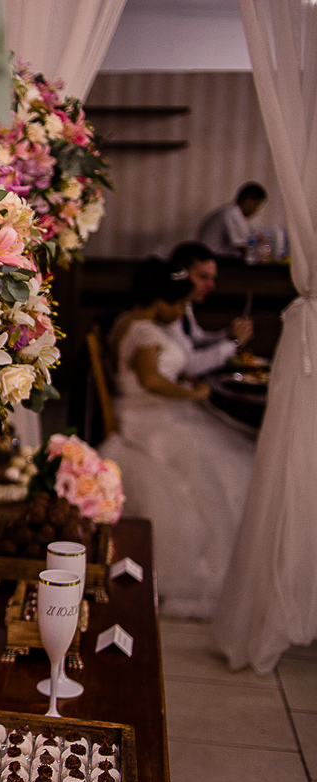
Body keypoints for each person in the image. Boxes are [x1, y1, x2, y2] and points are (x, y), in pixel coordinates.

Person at [99, 260, 256, 618]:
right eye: (178, 304)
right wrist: (193, 394)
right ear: (159, 300)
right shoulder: (143, 332)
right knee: (224, 467)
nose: (182, 311)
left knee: (223, 453)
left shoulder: (129, 321)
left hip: (146, 411)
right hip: (146, 417)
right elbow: (151, 381)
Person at [167, 241, 253, 376]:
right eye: (203, 277)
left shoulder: (186, 304)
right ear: (181, 274)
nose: (211, 286)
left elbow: (197, 339)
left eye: (212, 279)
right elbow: (189, 366)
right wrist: (234, 344)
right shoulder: (168, 310)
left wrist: (229, 334)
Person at [197, 182, 268, 258]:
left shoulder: (230, 211)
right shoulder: (233, 214)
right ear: (248, 201)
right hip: (214, 258)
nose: (256, 210)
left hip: (211, 256)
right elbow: (243, 247)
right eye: (256, 204)